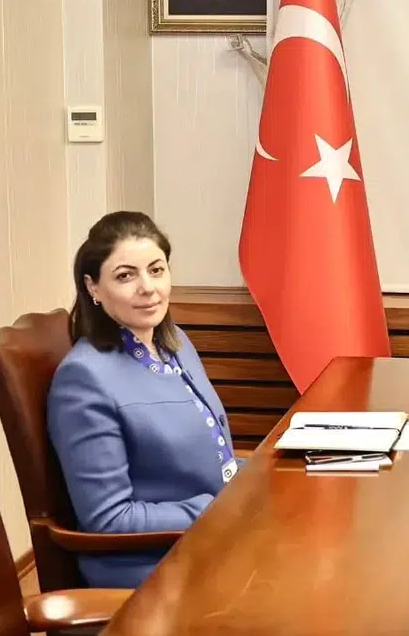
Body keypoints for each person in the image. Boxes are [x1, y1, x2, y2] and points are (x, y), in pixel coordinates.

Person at [48, 211, 239, 588]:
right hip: (149, 565)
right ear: (92, 287)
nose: (148, 288)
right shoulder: (83, 378)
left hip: (210, 539)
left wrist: (262, 480)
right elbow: (109, 518)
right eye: (125, 276)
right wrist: (219, 509)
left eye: (156, 270)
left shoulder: (176, 343)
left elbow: (213, 459)